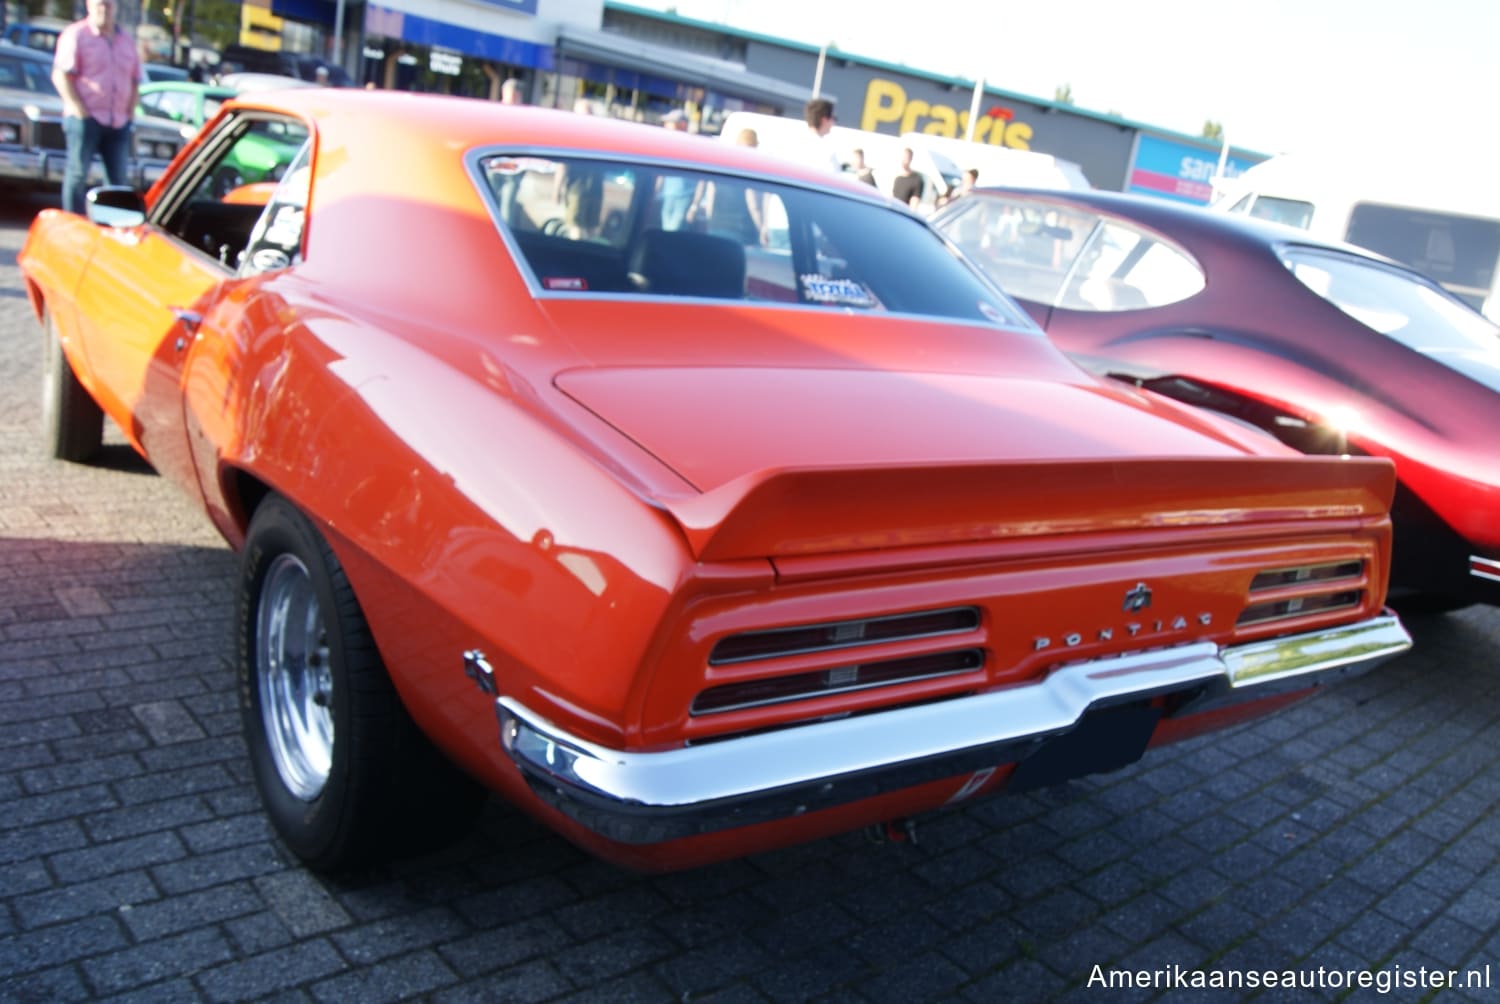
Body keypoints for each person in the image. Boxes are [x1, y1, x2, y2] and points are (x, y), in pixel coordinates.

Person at [52, 0, 142, 216]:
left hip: (118, 121)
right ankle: (74, 220)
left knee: (118, 179)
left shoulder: (126, 41)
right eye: (100, 4)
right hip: (86, 118)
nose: (104, 9)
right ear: (89, 6)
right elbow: (61, 75)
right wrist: (77, 107)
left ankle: (113, 223)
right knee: (77, 173)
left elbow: (135, 79)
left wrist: (130, 112)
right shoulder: (77, 35)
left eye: (108, 5)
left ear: (115, 8)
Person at [796, 97, 841, 173]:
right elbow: (836, 181)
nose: (833, 123)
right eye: (833, 118)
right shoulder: (826, 153)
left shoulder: (793, 144)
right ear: (824, 120)